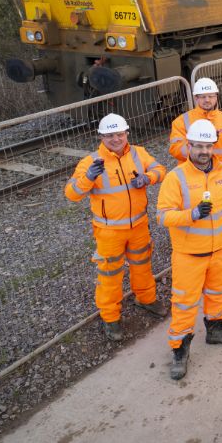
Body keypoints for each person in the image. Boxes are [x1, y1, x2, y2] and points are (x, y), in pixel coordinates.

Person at [157, 120, 222, 381]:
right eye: (198, 146)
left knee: (217, 294)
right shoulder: (176, 178)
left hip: (221, 250)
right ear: (188, 146)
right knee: (185, 304)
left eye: (208, 146)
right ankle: (180, 350)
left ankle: (216, 330)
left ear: (214, 147)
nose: (203, 151)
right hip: (189, 255)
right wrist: (192, 214)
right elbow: (163, 216)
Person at [65, 113, 168, 341]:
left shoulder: (138, 154)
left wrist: (148, 178)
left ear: (126, 133)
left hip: (139, 226)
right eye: (110, 135)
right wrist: (87, 179)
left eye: (119, 134)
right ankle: (110, 318)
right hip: (109, 232)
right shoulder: (90, 162)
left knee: (142, 266)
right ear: (101, 137)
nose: (116, 139)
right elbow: (71, 193)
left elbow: (161, 170)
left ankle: (147, 299)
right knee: (110, 275)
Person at [169, 78, 222, 273]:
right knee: (200, 219)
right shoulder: (183, 122)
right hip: (193, 179)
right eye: (203, 96)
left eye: (211, 96)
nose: (207, 100)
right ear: (196, 98)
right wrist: (199, 148)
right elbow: (174, 148)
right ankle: (199, 257)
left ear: (216, 97)